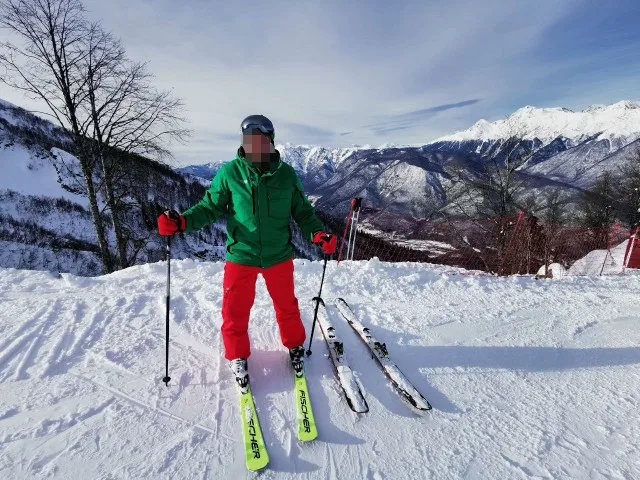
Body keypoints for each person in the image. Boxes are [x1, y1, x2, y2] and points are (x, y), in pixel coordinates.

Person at [157, 114, 337, 391]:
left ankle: (295, 347)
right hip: (241, 255)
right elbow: (209, 207)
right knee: (234, 311)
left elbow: (303, 212)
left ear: (271, 142)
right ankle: (237, 356)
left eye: (260, 140)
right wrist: (181, 222)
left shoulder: (286, 175)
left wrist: (317, 234)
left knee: (287, 307)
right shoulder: (230, 173)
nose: (254, 146)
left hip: (278, 255)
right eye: (248, 140)